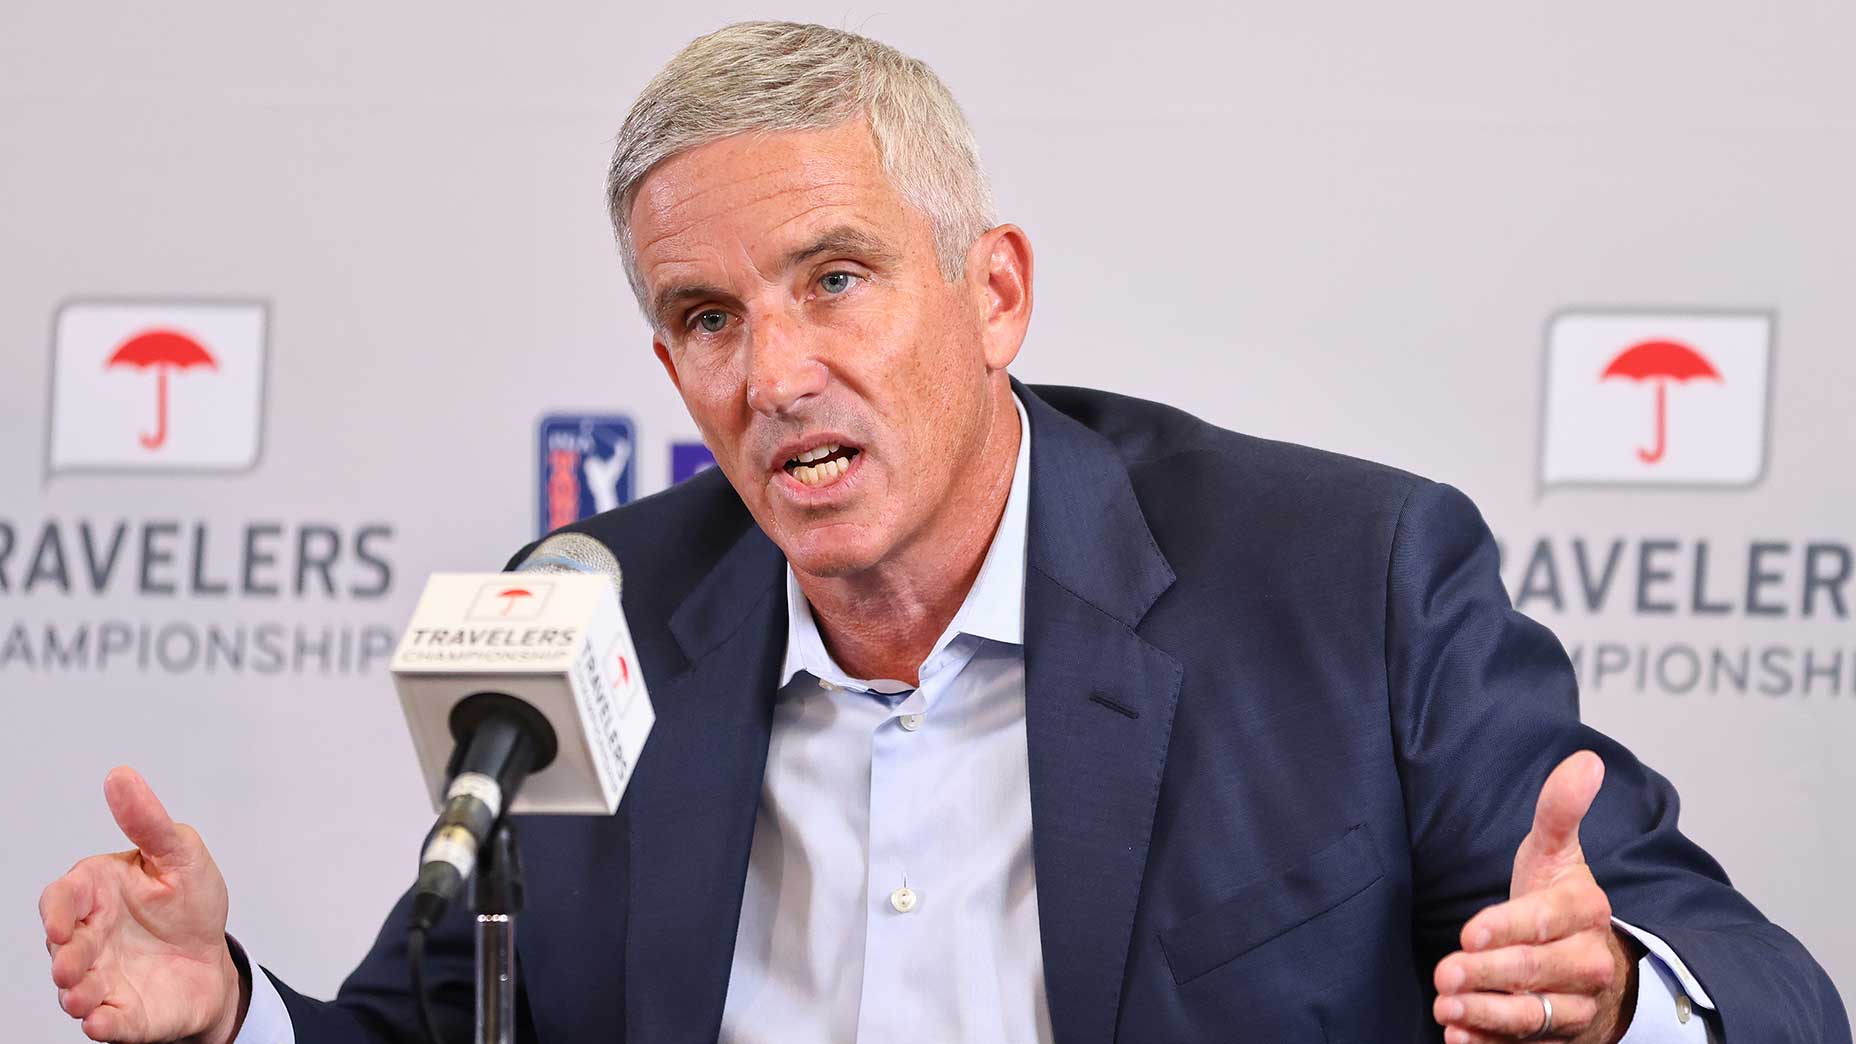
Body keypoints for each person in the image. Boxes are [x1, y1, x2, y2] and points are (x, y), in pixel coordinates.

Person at [38, 21, 1848, 1044]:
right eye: (707, 317)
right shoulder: (569, 611)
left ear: (993, 293)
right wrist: (226, 1019)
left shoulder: (1346, 583)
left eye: (837, 280)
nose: (779, 371)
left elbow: (1765, 990)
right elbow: (449, 1035)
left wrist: (1617, 1000)